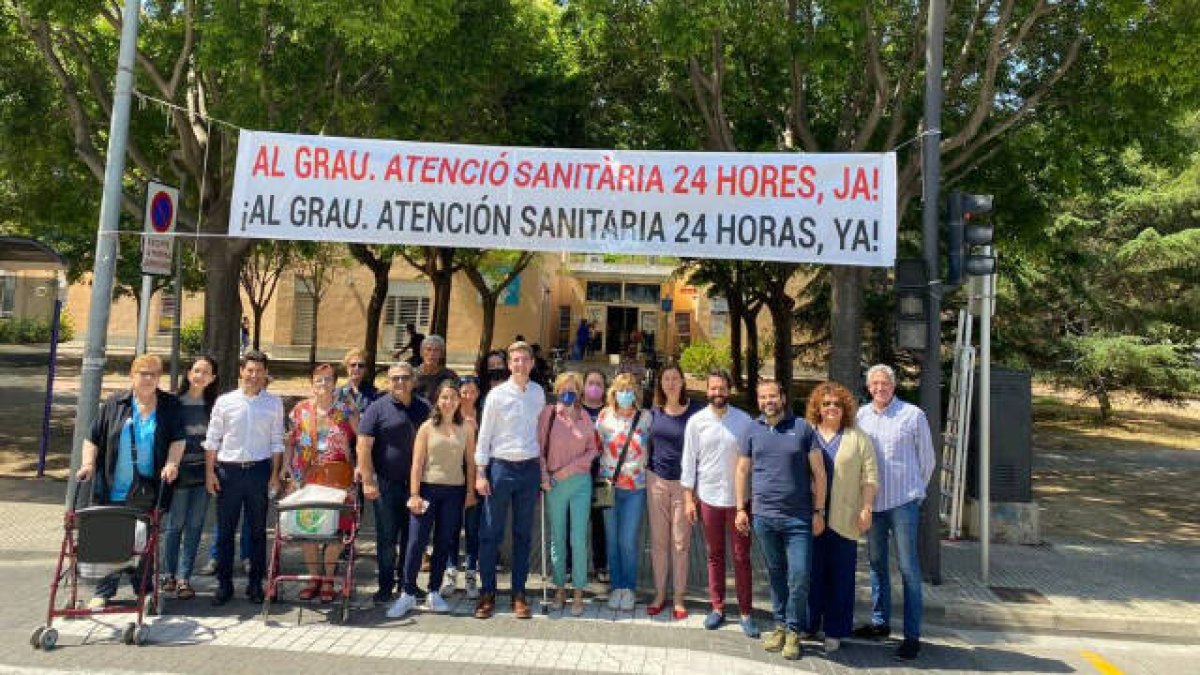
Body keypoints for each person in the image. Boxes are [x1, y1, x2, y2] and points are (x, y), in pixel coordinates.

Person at [76, 354, 185, 608]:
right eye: (143, 373)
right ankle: (104, 592)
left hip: (148, 488)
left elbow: (178, 440)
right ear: (132, 376)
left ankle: (144, 590)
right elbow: (92, 438)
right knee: (109, 536)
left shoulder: (170, 405)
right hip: (114, 484)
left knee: (144, 539)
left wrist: (172, 463)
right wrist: (88, 464)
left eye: (153, 374)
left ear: (159, 378)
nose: (148, 379)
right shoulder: (116, 403)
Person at [735, 379, 826, 660]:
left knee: (799, 575)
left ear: (783, 398)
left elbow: (819, 474)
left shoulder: (802, 428)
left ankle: (793, 630)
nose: (767, 401)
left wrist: (819, 511)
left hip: (798, 519)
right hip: (764, 517)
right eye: (763, 397)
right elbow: (741, 471)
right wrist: (741, 508)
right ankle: (779, 626)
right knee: (776, 573)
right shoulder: (752, 429)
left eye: (772, 396)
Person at [853, 364, 936, 662]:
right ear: (868, 386)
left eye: (884, 383)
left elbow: (927, 460)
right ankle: (880, 623)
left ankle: (912, 637)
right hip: (873, 504)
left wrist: (914, 492)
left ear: (894, 385)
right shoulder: (860, 416)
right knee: (876, 565)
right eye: (874, 383)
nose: (879, 388)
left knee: (908, 569)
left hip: (903, 504)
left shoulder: (913, 416)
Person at [388, 380, 477, 618]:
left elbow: (470, 462)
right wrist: (415, 494)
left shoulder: (466, 428)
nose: (448, 402)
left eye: (453, 398)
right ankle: (407, 592)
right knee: (416, 542)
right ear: (438, 400)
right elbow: (417, 463)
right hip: (427, 490)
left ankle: (434, 591)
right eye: (444, 397)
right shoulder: (427, 427)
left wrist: (469, 492)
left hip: (455, 492)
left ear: (459, 401)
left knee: (444, 542)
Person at [204, 350, 284, 606]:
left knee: (259, 531)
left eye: (259, 371)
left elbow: (277, 442)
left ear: (265, 374)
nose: (254, 376)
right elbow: (213, 439)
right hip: (228, 471)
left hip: (259, 471)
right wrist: (209, 473)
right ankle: (224, 585)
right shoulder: (225, 402)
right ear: (241, 371)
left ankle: (255, 585)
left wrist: (274, 475)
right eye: (250, 370)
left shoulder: (274, 403)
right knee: (226, 532)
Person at [681, 369, 758, 636]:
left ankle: (746, 612)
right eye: (713, 389)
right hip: (709, 499)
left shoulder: (745, 421)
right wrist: (688, 499)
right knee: (714, 556)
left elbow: (753, 463)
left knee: (741, 557)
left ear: (729, 390)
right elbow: (689, 463)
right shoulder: (696, 422)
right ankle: (717, 608)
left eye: (722, 389)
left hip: (739, 502)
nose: (717, 393)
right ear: (707, 390)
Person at [804, 381, 878, 654]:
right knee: (812, 574)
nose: (831, 408)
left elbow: (869, 477)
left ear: (844, 407)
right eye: (826, 404)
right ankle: (810, 624)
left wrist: (867, 507)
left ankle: (834, 630)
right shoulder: (807, 433)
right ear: (818, 408)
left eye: (836, 403)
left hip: (844, 519)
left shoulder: (858, 438)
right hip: (812, 517)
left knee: (841, 578)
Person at [473, 341, 545, 620]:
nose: (519, 364)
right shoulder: (496, 395)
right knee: (490, 533)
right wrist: (481, 472)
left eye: (524, 360)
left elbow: (541, 434)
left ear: (531, 363)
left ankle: (519, 593)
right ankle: (487, 593)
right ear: (508, 364)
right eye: (514, 360)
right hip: (500, 468)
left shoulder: (538, 394)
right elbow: (484, 435)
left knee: (523, 536)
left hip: (528, 470)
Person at [356, 362, 431, 604]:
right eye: (395, 378)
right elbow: (363, 446)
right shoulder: (376, 409)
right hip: (386, 485)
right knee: (387, 539)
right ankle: (385, 586)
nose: (400, 382)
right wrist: (368, 481)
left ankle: (408, 585)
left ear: (414, 380)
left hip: (417, 486)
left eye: (405, 378)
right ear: (388, 382)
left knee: (413, 539)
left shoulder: (425, 408)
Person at [282, 363, 358, 603]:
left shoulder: (346, 410)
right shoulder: (300, 410)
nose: (322, 384)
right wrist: (285, 467)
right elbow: (290, 442)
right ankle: (313, 578)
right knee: (308, 529)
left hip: (338, 479)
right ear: (311, 384)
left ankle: (328, 579)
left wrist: (361, 468)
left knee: (335, 531)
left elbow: (364, 439)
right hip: (306, 477)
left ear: (335, 383)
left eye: (327, 380)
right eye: (318, 380)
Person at [538, 371, 599, 616]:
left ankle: (578, 592)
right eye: (563, 388)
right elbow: (539, 448)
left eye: (573, 388)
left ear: (579, 392)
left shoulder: (585, 416)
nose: (568, 392)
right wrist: (545, 477)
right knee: (557, 538)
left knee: (579, 538)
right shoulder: (549, 414)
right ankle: (559, 588)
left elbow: (593, 450)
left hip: (580, 483)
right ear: (557, 389)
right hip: (554, 484)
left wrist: (569, 470)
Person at [645, 364, 703, 620]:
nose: (670, 383)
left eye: (675, 378)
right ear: (660, 383)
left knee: (680, 543)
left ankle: (679, 597)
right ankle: (659, 594)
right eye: (665, 378)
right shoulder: (653, 413)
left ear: (682, 382)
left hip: (684, 486)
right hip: (656, 481)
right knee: (658, 543)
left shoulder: (695, 413)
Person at [161, 356, 219, 601]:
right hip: (179, 474)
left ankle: (185, 577)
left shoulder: (215, 406)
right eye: (196, 370)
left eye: (206, 372)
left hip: (203, 474)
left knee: (195, 527)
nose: (200, 376)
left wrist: (212, 473)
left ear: (213, 378)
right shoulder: (173, 403)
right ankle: (168, 574)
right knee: (175, 526)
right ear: (188, 373)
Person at [595, 372, 651, 612]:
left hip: (635, 488)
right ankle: (616, 587)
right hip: (608, 487)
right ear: (613, 392)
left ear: (636, 392)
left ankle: (628, 587)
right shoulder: (604, 417)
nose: (625, 394)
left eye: (630, 389)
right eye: (621, 389)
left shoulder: (646, 418)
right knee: (612, 539)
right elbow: (595, 447)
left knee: (627, 540)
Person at [451, 375, 484, 599]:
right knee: (451, 528)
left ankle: (471, 572)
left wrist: (477, 430)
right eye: (464, 392)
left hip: (476, 479)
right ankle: (450, 571)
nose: (468, 396)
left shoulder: (484, 415)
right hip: (452, 478)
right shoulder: (449, 415)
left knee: (473, 529)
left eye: (472, 391)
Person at [580, 368, 609, 583]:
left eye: (599, 383)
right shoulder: (574, 409)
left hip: (603, 476)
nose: (594, 387)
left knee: (601, 522)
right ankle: (574, 566)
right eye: (591, 382)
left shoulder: (610, 412)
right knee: (577, 521)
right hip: (578, 475)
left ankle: (601, 565)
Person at [335, 348, 378, 415]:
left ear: (365, 370)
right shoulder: (338, 393)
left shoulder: (374, 394)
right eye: (353, 365)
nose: (357, 368)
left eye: (361, 365)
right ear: (347, 368)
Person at [414, 335, 457, 402]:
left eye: (436, 350)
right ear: (421, 353)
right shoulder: (412, 375)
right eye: (428, 349)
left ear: (441, 354)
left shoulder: (450, 376)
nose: (432, 354)